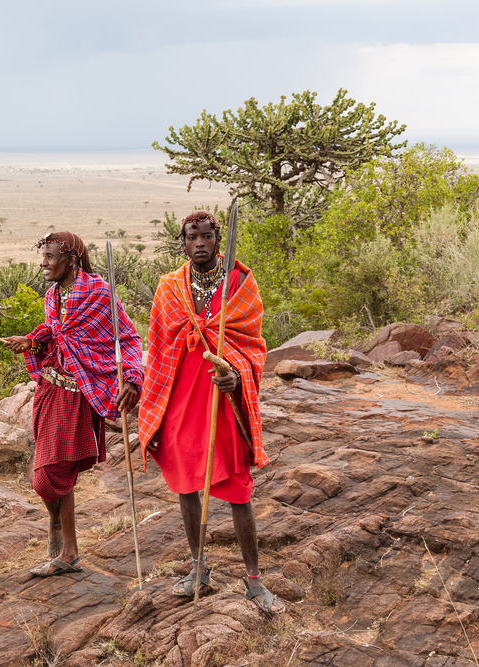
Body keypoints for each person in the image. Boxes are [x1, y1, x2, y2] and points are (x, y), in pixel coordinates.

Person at [137, 210, 284, 614]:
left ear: (218, 240)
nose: (199, 243)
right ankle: (198, 567)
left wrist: (235, 375)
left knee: (238, 486)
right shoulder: (169, 287)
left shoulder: (239, 283)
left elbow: (253, 344)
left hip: (223, 399)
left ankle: (255, 579)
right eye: (191, 237)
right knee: (186, 483)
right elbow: (159, 345)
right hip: (181, 396)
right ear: (182, 243)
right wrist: (143, 393)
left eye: (206, 236)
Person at [4, 231, 144, 577]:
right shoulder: (53, 294)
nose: (44, 263)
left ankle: (66, 548)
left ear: (72, 259)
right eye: (44, 256)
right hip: (49, 390)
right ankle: (67, 546)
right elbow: (55, 334)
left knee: (53, 474)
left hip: (79, 392)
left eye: (50, 257)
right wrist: (31, 341)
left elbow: (126, 338)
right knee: (49, 474)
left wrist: (132, 379)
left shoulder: (99, 293)